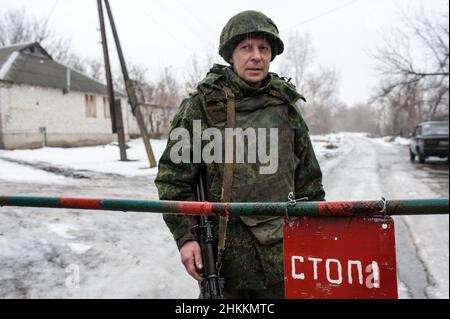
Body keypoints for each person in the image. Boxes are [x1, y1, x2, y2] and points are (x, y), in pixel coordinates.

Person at [155, 10, 325, 299]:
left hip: (281, 260)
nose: (256, 56)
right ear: (231, 55)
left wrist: (315, 240)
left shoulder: (285, 107)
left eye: (264, 48)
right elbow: (174, 182)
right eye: (246, 48)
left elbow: (309, 183)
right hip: (224, 264)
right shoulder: (202, 106)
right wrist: (186, 238)